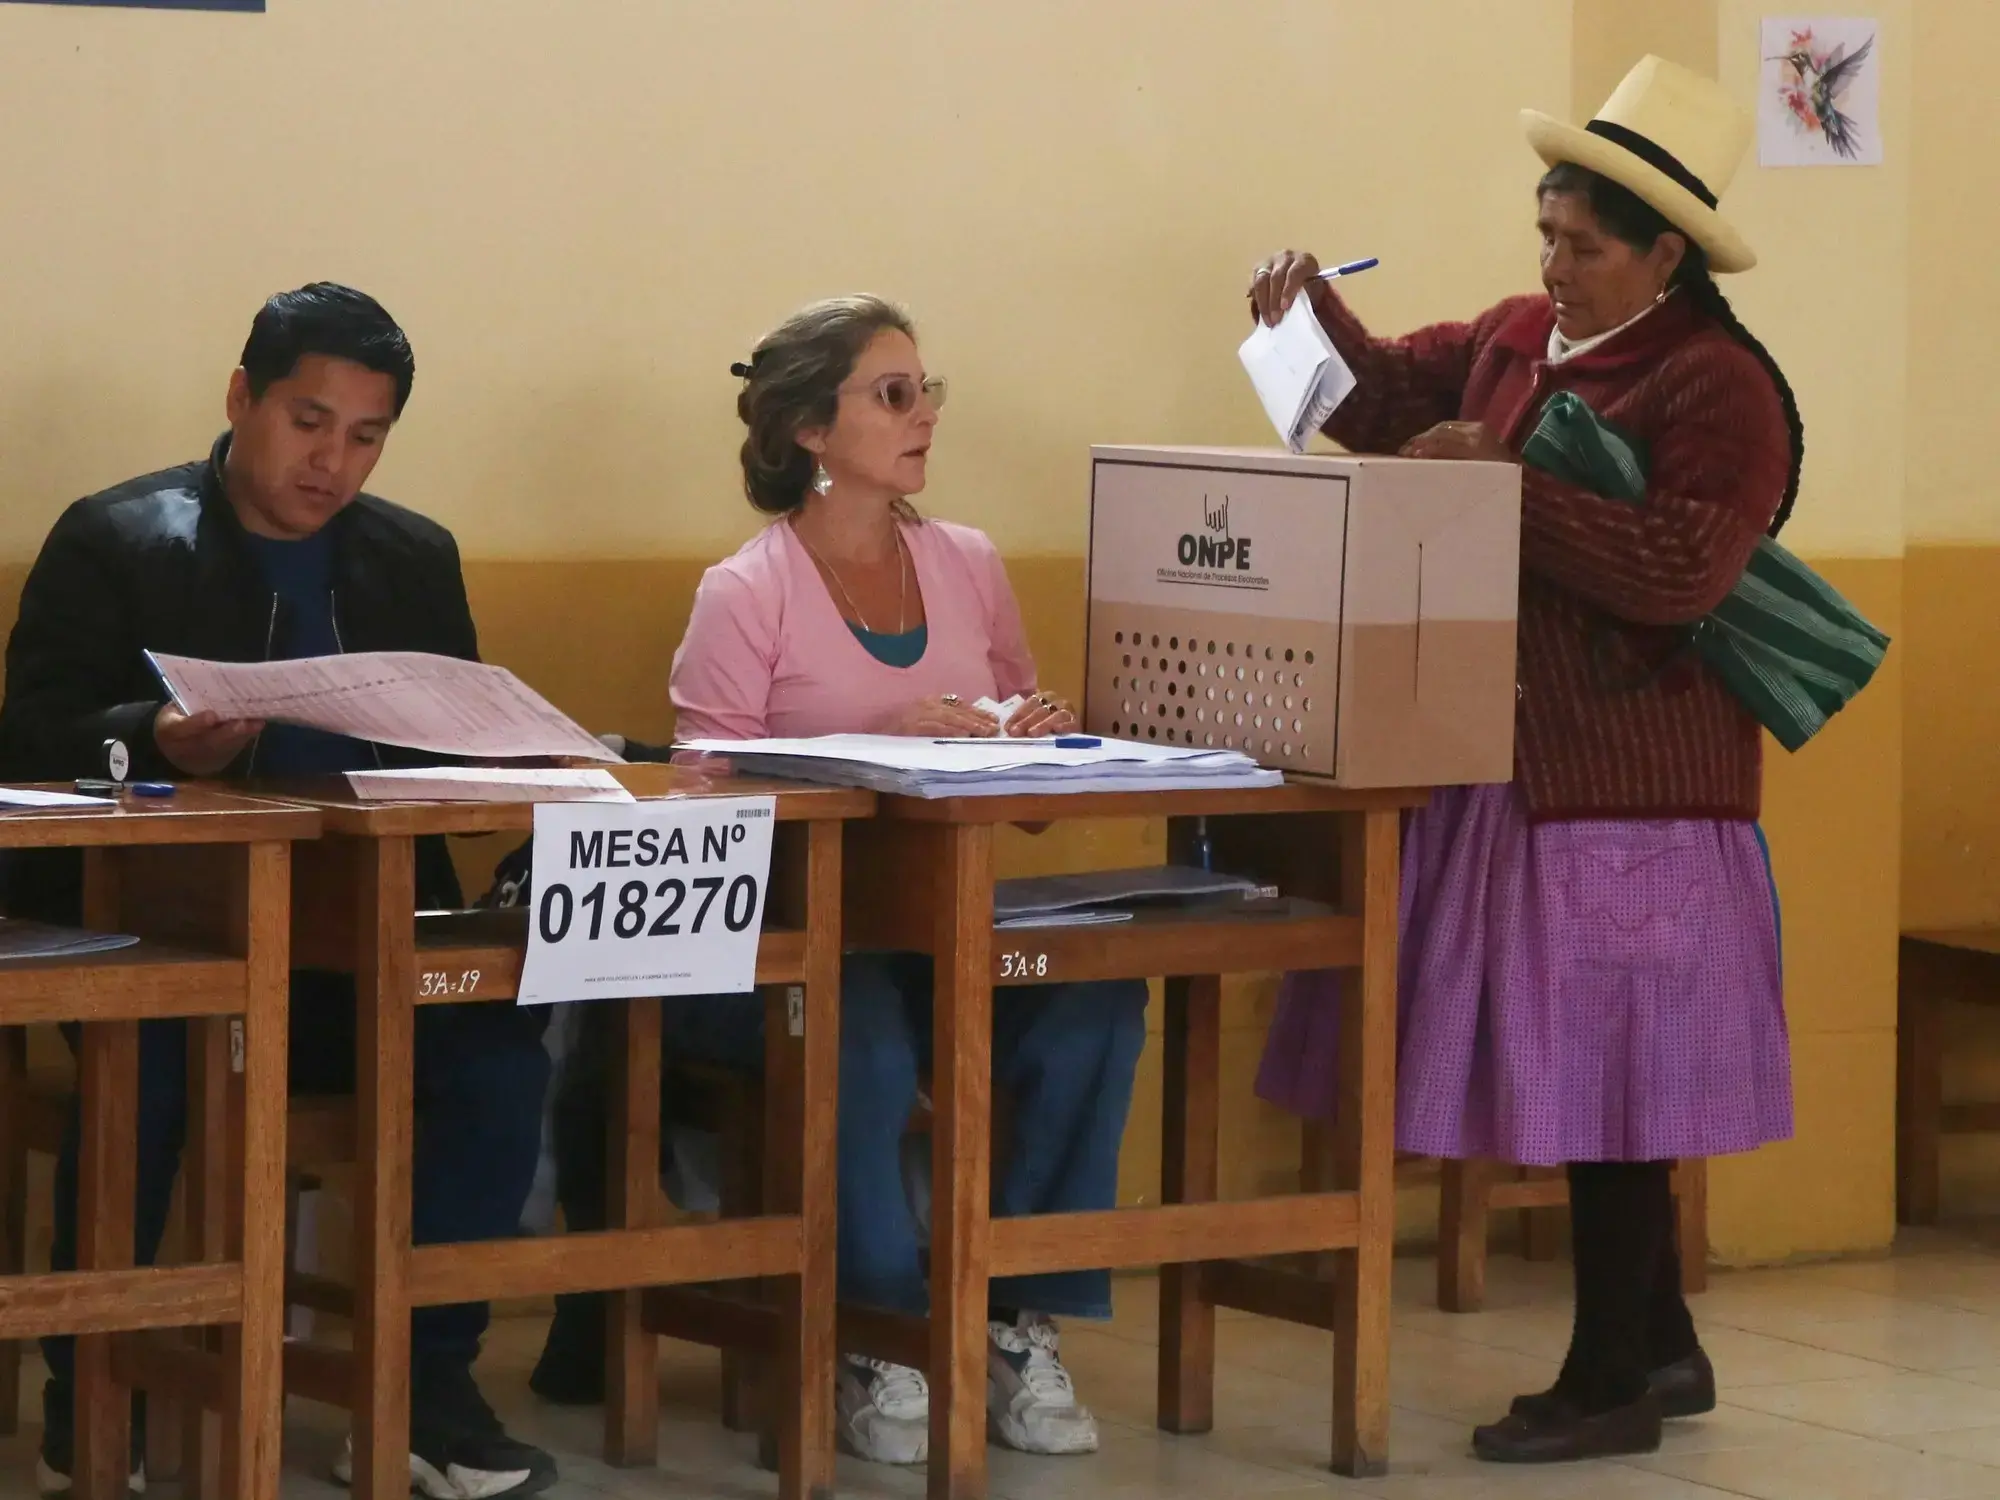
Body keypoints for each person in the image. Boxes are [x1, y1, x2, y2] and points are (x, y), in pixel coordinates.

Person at [1247, 57, 1798, 1464]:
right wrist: (1309, 319)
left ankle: (1608, 1378)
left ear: (1665, 256)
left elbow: (1679, 570)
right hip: (1506, 766)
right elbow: (1385, 400)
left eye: (1585, 246)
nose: (1553, 266)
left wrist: (1509, 487)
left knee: (1613, 1087)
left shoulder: (1720, 384)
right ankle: (1658, 1344)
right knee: (1593, 1076)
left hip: (1633, 790)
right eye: (1545, 233)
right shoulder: (1509, 339)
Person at [530, 294, 1148, 1467]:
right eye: (892, 394)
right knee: (851, 1020)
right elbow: (703, 812)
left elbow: (1025, 791)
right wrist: (872, 741)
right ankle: (873, 1332)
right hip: (781, 942)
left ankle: (1013, 1319)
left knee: (1095, 998)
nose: (924, 416)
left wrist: (1033, 741)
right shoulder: (745, 590)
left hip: (942, 922)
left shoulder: (967, 563)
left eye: (926, 391)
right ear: (812, 428)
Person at [0, 284, 558, 1498]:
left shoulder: (412, 557)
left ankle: (421, 1392)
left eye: (365, 436)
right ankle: (92, 1389)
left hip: (367, 947)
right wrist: (152, 734)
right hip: (161, 947)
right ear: (241, 396)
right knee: (147, 1060)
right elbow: (27, 740)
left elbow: (452, 742)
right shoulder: (116, 537)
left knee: (496, 1052)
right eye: (309, 422)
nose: (331, 462)